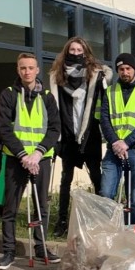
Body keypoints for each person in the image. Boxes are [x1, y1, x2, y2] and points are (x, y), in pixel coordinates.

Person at [0, 53, 61, 270]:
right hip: (17, 159)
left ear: (37, 70)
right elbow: (4, 129)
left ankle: (41, 248)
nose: (27, 72)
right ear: (18, 70)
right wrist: (23, 155)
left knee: (41, 206)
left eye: (31, 68)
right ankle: (9, 251)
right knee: (10, 207)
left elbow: (54, 129)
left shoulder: (48, 97)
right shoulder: (9, 94)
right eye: (23, 68)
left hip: (41, 159)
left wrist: (38, 154)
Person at [49, 37, 113, 236]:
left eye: (79, 50)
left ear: (85, 52)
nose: (75, 53)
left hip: (89, 134)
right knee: (65, 179)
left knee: (96, 176)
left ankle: (101, 218)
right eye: (72, 49)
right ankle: (61, 221)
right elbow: (54, 105)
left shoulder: (94, 74)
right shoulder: (58, 75)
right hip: (68, 134)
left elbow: (107, 88)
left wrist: (104, 77)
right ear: (66, 51)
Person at [98, 53, 135, 224]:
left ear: (134, 69)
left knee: (132, 197)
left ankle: (131, 230)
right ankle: (109, 230)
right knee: (106, 193)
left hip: (134, 149)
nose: (125, 72)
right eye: (121, 69)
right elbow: (104, 119)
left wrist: (127, 142)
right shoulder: (110, 91)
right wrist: (115, 142)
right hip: (113, 149)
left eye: (128, 68)